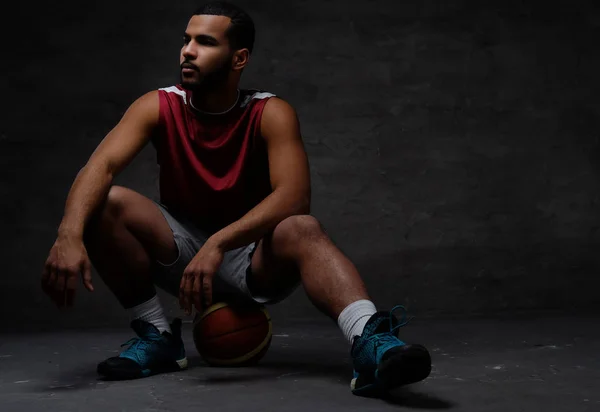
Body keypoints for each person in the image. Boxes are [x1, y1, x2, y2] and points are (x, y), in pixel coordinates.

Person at [41, 1, 431, 397]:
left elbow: (295, 198)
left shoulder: (271, 112)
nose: (187, 51)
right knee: (105, 201)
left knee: (302, 226)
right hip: (183, 254)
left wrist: (220, 242)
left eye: (205, 42)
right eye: (186, 39)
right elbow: (99, 167)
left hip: (254, 256)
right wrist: (68, 234)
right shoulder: (158, 105)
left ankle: (370, 343)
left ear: (239, 57)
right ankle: (157, 335)